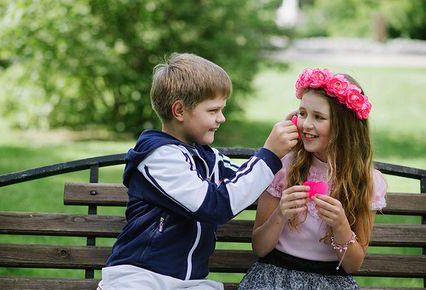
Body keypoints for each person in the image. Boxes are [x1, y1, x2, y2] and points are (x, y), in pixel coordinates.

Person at [97, 53, 299, 290]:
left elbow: (246, 178)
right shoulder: (158, 157)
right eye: (213, 110)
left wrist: (289, 149)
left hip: (190, 283)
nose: (221, 118)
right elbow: (216, 206)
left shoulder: (207, 157)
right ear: (179, 111)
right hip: (140, 277)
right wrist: (270, 154)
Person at [238, 68, 387, 290]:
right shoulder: (284, 168)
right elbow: (259, 248)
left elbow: (353, 265)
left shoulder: (366, 182)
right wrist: (281, 214)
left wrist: (340, 225)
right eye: (303, 113)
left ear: (344, 126)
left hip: (331, 281)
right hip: (275, 277)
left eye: (318, 117)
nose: (306, 124)